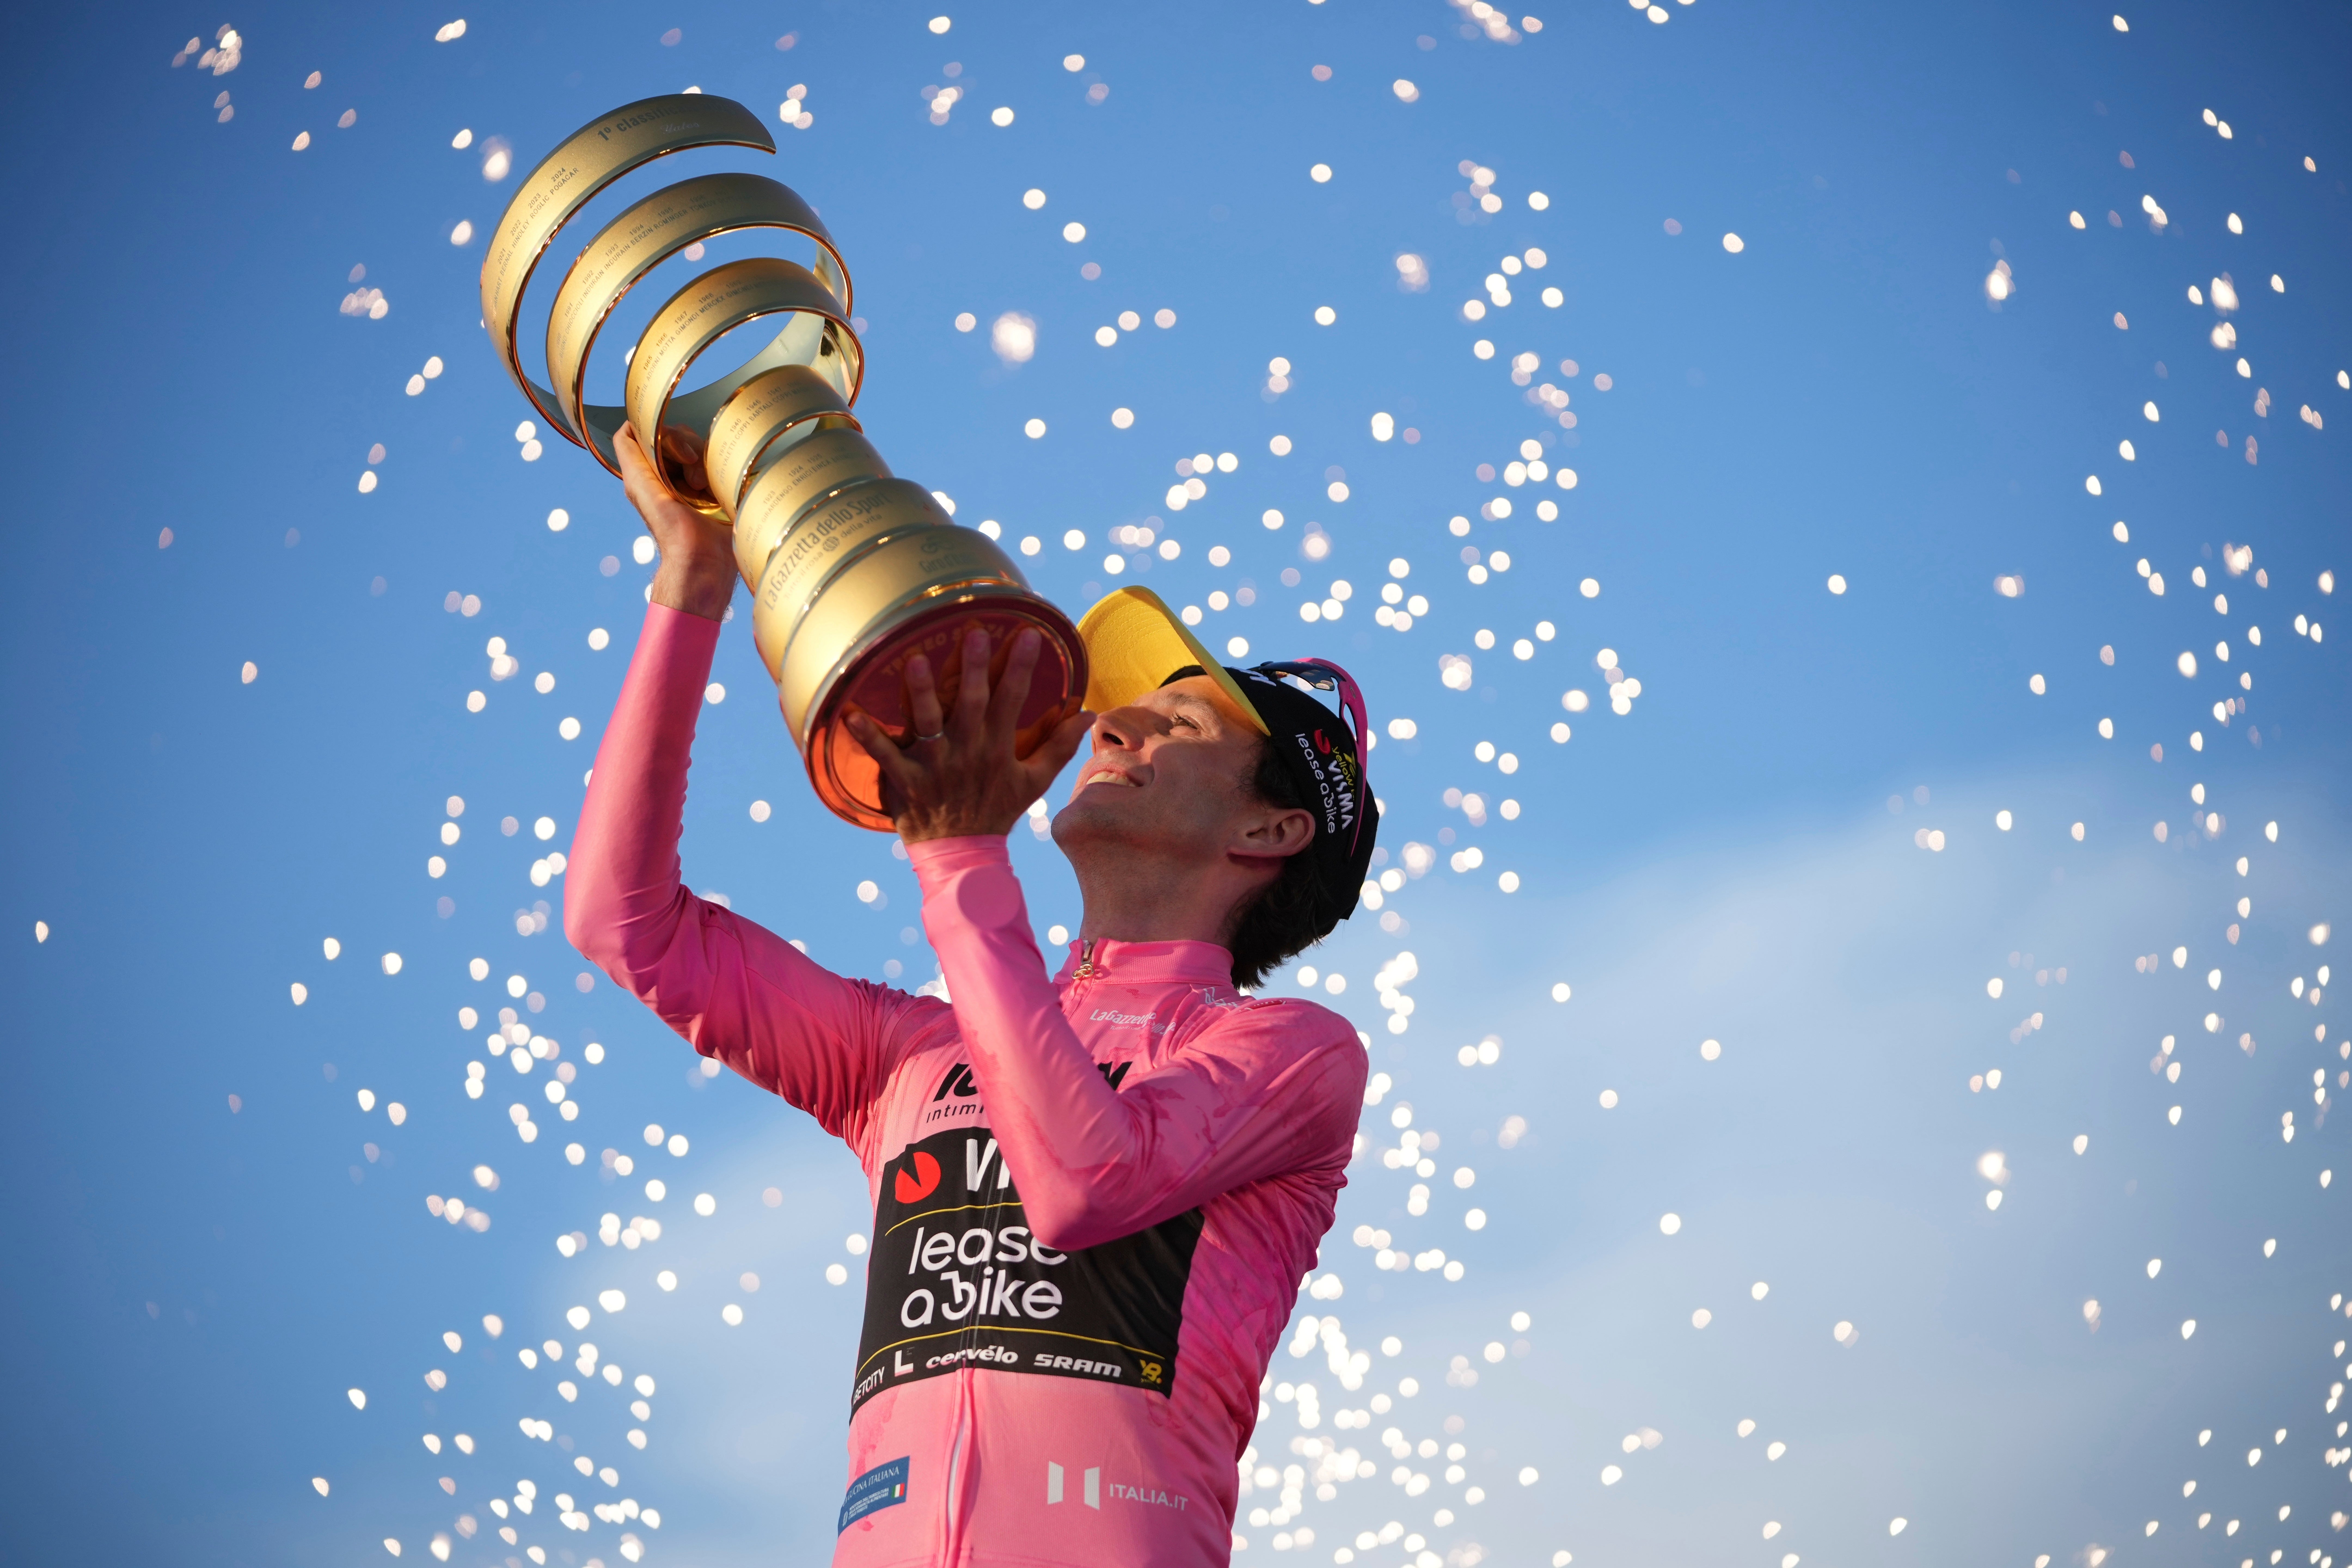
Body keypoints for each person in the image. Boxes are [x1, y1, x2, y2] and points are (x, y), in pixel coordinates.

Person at [565, 425, 1381, 1566]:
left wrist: (959, 856)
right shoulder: (907, 1055)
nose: (1114, 724)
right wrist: (693, 584)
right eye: (1132, 709)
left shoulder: (1293, 1054)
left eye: (1181, 723)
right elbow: (624, 921)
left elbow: (1084, 1184)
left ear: (1273, 831)